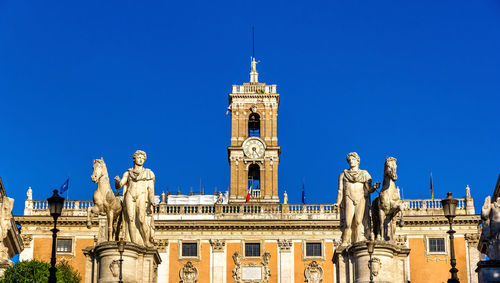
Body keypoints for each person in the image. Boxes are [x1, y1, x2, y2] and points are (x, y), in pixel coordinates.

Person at [336, 152, 379, 245]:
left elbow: (369, 189)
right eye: (349, 160)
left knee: (359, 221)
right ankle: (345, 241)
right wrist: (338, 202)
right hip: (349, 198)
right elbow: (340, 190)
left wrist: (374, 187)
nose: (351, 161)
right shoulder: (343, 175)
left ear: (358, 161)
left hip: (361, 198)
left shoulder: (364, 174)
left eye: (353, 159)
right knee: (348, 223)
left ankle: (358, 241)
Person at [115, 150, 155, 247]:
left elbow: (150, 189)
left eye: (142, 158)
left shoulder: (148, 173)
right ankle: (133, 243)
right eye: (139, 157)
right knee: (131, 219)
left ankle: (146, 241)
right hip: (130, 194)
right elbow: (119, 186)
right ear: (134, 158)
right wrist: (117, 181)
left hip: (141, 195)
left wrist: (151, 201)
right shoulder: (128, 172)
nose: (141, 160)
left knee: (141, 219)